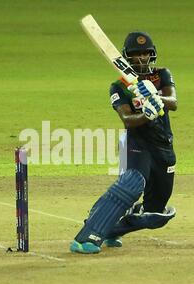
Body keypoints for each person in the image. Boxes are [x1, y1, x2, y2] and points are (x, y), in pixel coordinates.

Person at [70, 31, 178, 254]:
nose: (141, 59)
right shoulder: (118, 87)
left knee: (158, 215)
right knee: (132, 184)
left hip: (164, 147)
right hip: (138, 145)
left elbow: (173, 102)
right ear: (127, 57)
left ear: (152, 54)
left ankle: (112, 229)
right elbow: (127, 120)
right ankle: (87, 236)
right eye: (136, 54)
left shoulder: (162, 75)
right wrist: (146, 114)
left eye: (146, 54)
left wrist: (157, 98)